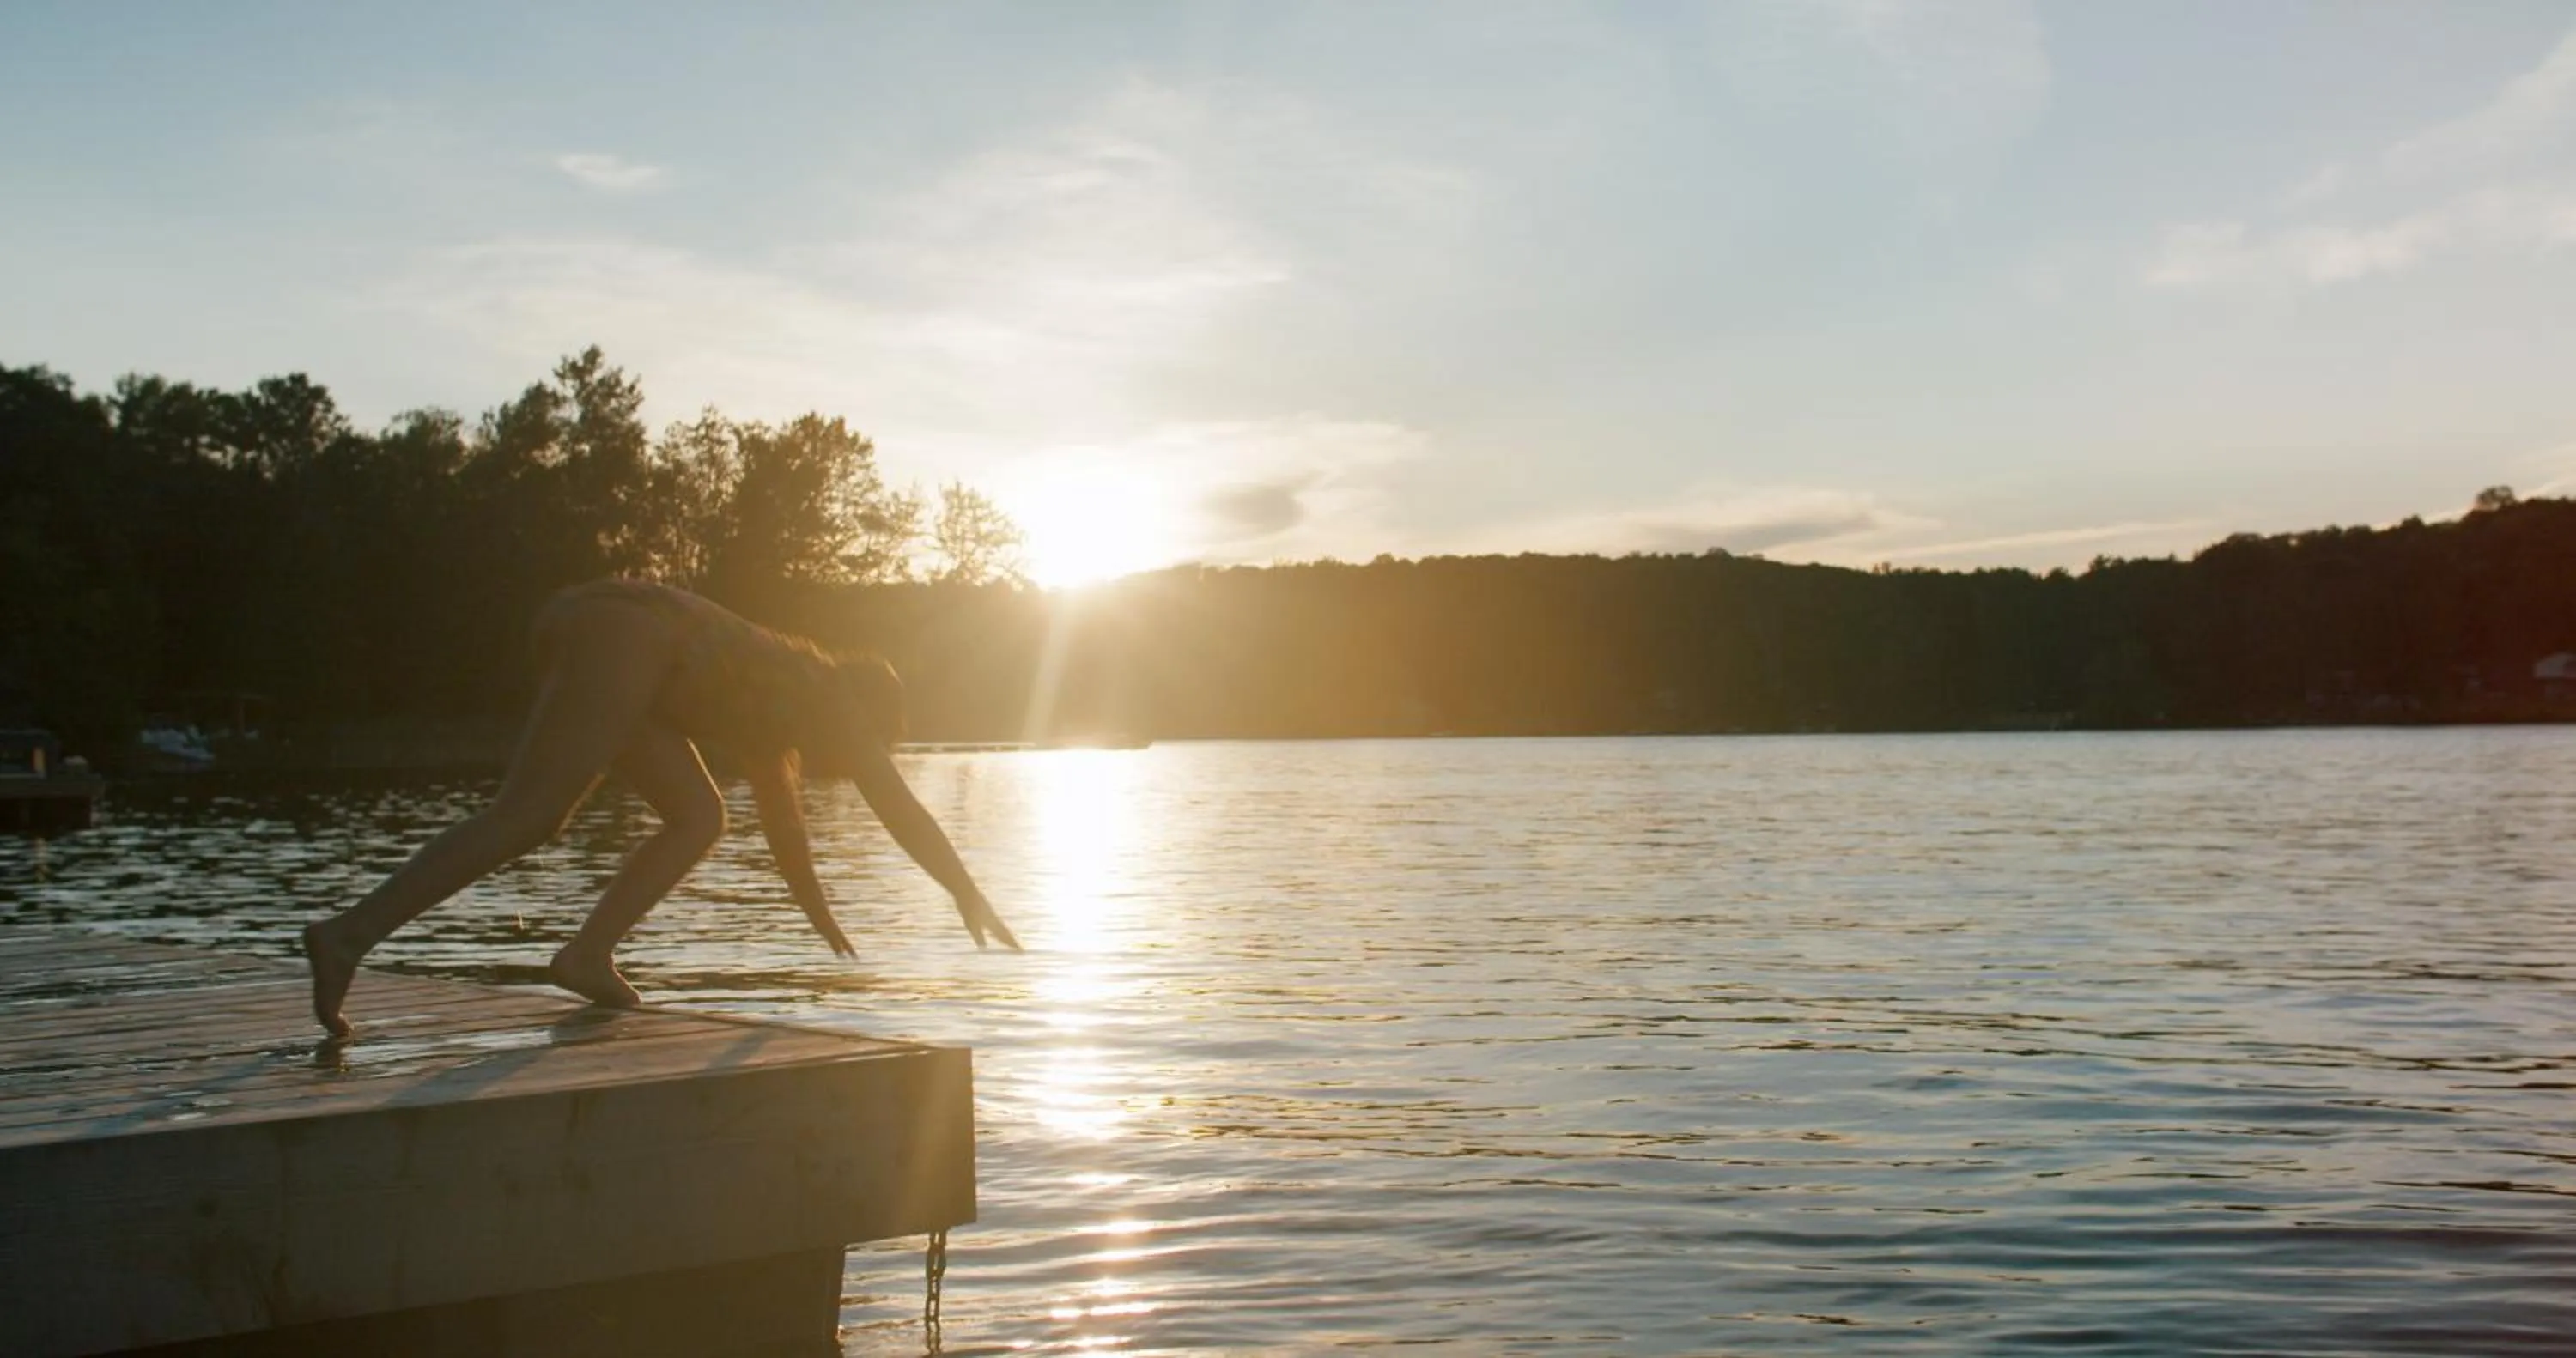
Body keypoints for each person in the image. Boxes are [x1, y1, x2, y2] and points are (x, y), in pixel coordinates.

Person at [301, 578, 1019, 1038]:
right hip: (629, 632)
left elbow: (786, 829)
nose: (859, 762)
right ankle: (349, 935)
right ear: (867, 710)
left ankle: (587, 954)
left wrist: (819, 914)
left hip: (606, 628)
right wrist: (966, 891)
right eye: (873, 744)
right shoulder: (832, 697)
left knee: (701, 816)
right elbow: (901, 811)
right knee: (530, 814)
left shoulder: (782, 704)